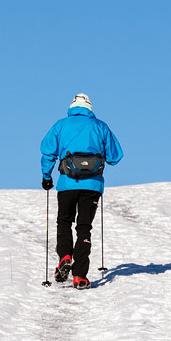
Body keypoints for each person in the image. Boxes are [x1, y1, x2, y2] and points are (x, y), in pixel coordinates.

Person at [40, 93, 124, 289]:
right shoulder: (100, 126)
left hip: (67, 183)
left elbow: (47, 152)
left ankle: (65, 257)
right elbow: (115, 156)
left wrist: (46, 177)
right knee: (84, 227)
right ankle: (80, 276)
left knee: (64, 222)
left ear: (72, 107)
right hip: (92, 185)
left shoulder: (60, 125)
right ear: (90, 109)